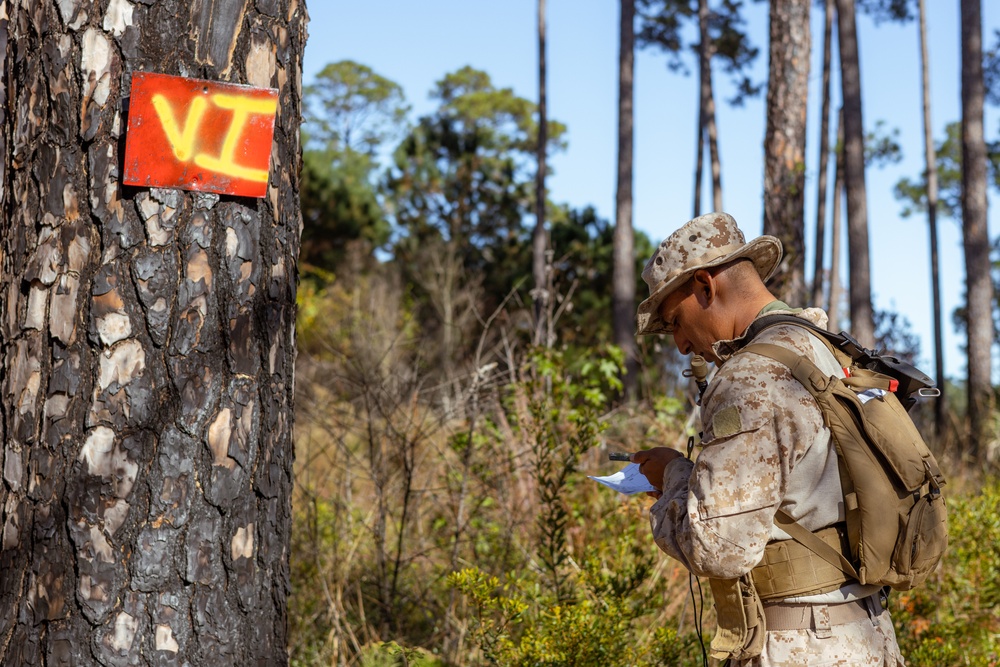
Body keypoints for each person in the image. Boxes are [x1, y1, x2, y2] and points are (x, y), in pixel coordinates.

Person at [632, 212, 905, 666]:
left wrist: (672, 475)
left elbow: (718, 548)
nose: (680, 344)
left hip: (803, 643)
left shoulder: (752, 376)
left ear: (705, 286)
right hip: (863, 631)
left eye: (676, 320)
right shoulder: (822, 346)